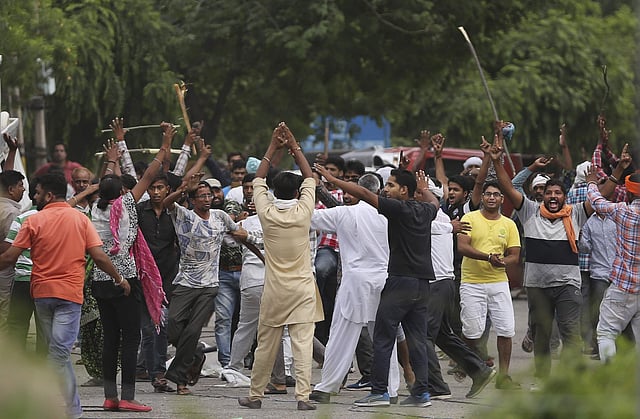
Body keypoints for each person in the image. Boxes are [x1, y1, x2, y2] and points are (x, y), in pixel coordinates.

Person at [0, 172, 125, 419]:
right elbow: (99, 256)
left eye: (36, 193)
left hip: (42, 296)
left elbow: (8, 258)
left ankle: (73, 410)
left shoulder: (33, 221)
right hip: (68, 296)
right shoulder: (79, 219)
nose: (32, 197)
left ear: (48, 194)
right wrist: (119, 279)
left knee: (59, 352)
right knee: (59, 353)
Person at [318, 162, 439, 407]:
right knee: (417, 339)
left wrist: (332, 178)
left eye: (392, 185)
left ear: (404, 191)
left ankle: (379, 392)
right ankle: (421, 393)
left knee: (383, 338)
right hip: (423, 284)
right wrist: (424, 189)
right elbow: (435, 202)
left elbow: (363, 193)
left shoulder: (397, 209)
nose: (386, 189)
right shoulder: (426, 210)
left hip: (399, 282)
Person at [490, 125, 594, 390]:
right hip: (537, 287)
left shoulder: (575, 214)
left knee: (571, 335)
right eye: (549, 193)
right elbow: (506, 185)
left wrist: (609, 175)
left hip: (568, 286)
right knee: (542, 335)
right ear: (543, 196)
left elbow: (600, 197)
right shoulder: (529, 211)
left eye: (557, 193)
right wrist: (494, 160)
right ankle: (542, 379)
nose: (553, 196)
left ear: (564, 196)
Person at [238, 122, 322, 411]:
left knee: (266, 345)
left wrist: (273, 146)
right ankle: (303, 397)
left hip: (274, 289)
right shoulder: (303, 211)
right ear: (298, 191)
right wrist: (294, 145)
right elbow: (310, 177)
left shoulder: (266, 211)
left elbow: (258, 180)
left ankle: (255, 395)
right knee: (302, 344)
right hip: (302, 288)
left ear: (274, 191)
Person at [91, 124, 175, 413]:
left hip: (98, 281)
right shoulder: (126, 204)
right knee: (130, 339)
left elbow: (106, 184)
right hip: (123, 278)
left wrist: (112, 158)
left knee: (110, 339)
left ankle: (110, 396)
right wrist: (165, 143)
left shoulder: (96, 209)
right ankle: (127, 396)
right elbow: (151, 173)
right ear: (124, 191)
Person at [308, 173, 400, 404]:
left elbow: (307, 218)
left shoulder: (345, 213)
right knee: (385, 336)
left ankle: (327, 386)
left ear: (359, 191)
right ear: (378, 191)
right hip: (384, 279)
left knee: (341, 334)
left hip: (356, 282)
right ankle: (392, 388)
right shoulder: (393, 213)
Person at [162, 174, 241, 395]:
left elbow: (237, 232)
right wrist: (182, 189)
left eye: (209, 195)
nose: (207, 199)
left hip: (210, 284)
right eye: (202, 195)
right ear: (193, 199)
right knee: (174, 325)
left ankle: (181, 381)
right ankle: (196, 353)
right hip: (185, 281)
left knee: (194, 329)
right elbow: (167, 202)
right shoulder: (183, 216)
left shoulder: (220, 217)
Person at [457, 181, 521, 389]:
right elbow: (462, 247)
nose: (491, 198)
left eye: (496, 194)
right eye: (488, 194)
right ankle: (462, 362)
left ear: (502, 199)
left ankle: (503, 377)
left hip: (498, 282)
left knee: (506, 329)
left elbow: (515, 255)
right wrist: (488, 257)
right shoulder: (470, 218)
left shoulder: (509, 224)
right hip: (472, 283)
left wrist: (502, 262)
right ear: (482, 197)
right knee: (472, 332)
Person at [585, 155, 638, 362]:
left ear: (629, 193)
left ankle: (611, 371)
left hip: (623, 286)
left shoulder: (623, 211)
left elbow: (597, 202)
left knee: (606, 332)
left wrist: (591, 182)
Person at [0, 169, 26, 331]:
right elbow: (9, 247)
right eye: (20, 185)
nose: (23, 189)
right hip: (4, 271)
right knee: (4, 311)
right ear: (11, 189)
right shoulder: (11, 213)